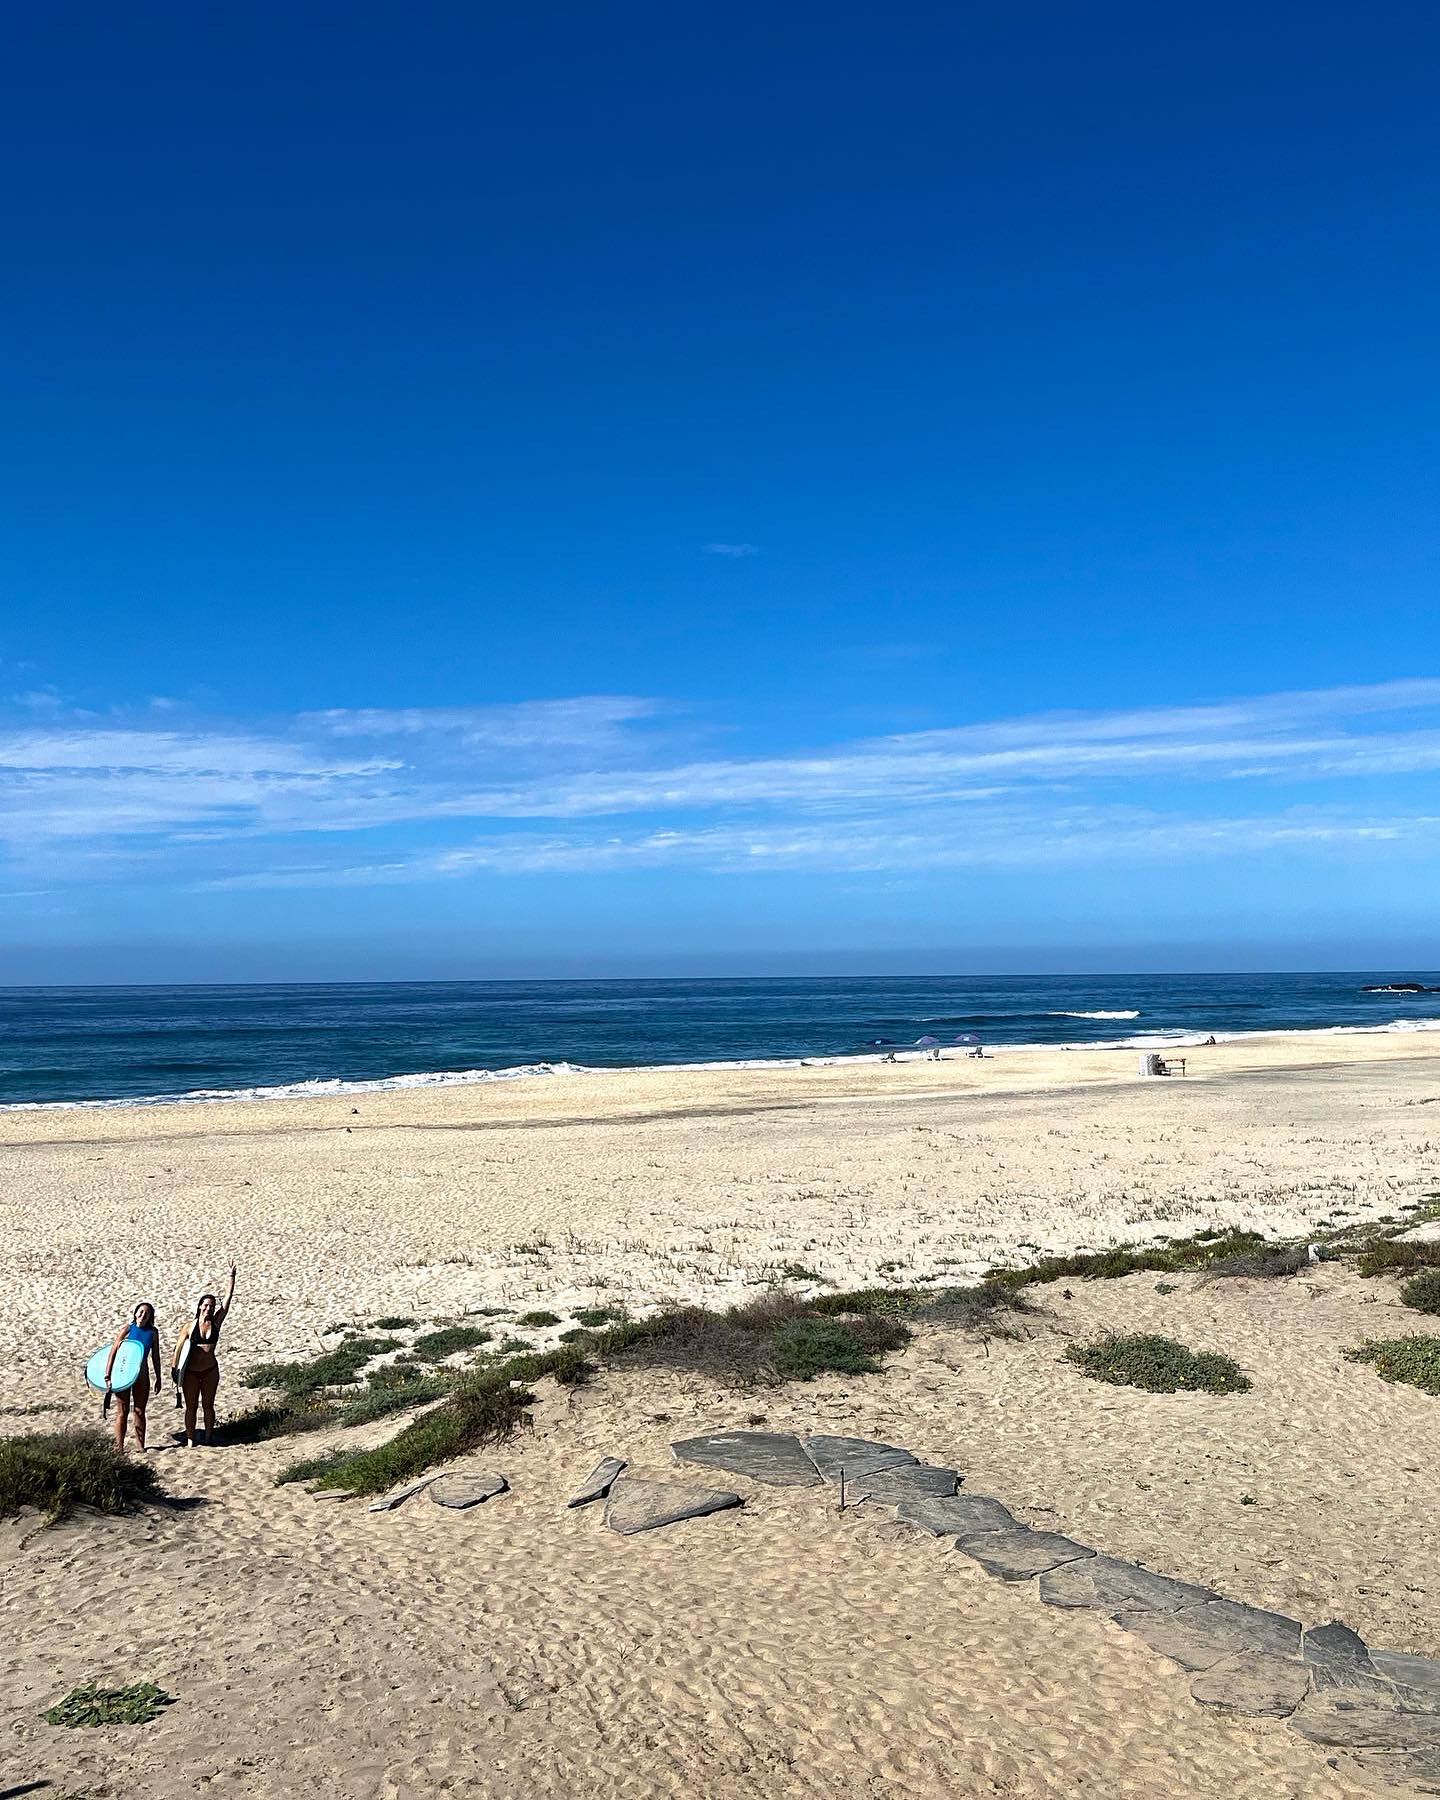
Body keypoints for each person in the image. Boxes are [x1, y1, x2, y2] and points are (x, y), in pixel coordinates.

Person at [173, 1261, 236, 1448]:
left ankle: (208, 1437)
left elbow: (227, 1300)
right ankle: (191, 1439)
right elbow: (178, 1350)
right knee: (191, 1407)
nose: (209, 1308)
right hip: (191, 1372)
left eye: (211, 1306)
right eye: (206, 1305)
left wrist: (231, 1277)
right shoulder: (189, 1326)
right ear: (200, 1306)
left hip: (210, 1370)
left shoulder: (216, 1323)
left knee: (208, 1405)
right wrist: (175, 1371)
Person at [103, 1302, 163, 1454]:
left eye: (147, 1313)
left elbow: (155, 1356)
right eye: (141, 1312)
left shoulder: (153, 1332)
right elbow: (113, 1353)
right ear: (135, 1313)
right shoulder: (127, 1329)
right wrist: (107, 1375)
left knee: (139, 1411)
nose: (143, 1315)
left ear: (150, 1317)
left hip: (142, 1375)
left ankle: (140, 1446)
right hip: (123, 1374)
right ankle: (119, 1447)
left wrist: (158, 1377)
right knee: (122, 1411)